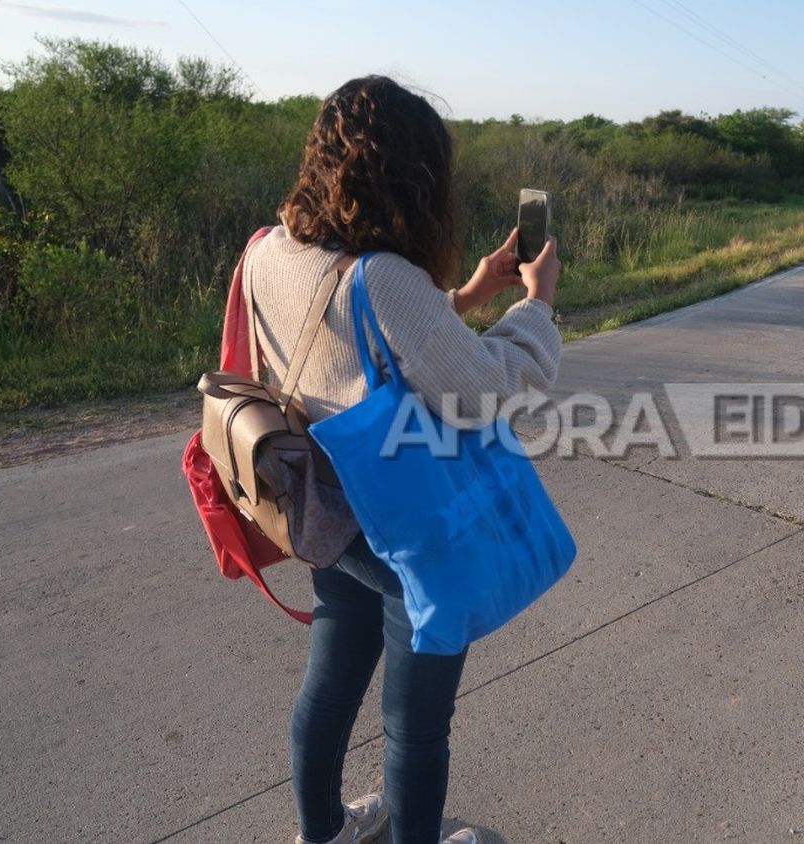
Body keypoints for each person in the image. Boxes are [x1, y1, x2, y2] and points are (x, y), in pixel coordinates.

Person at [244, 76, 563, 844]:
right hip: (399, 526)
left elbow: (355, 343)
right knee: (416, 725)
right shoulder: (383, 276)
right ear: (411, 174)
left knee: (328, 688)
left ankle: (321, 832)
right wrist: (535, 306)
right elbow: (482, 390)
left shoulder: (270, 247)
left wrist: (469, 293)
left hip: (325, 503)